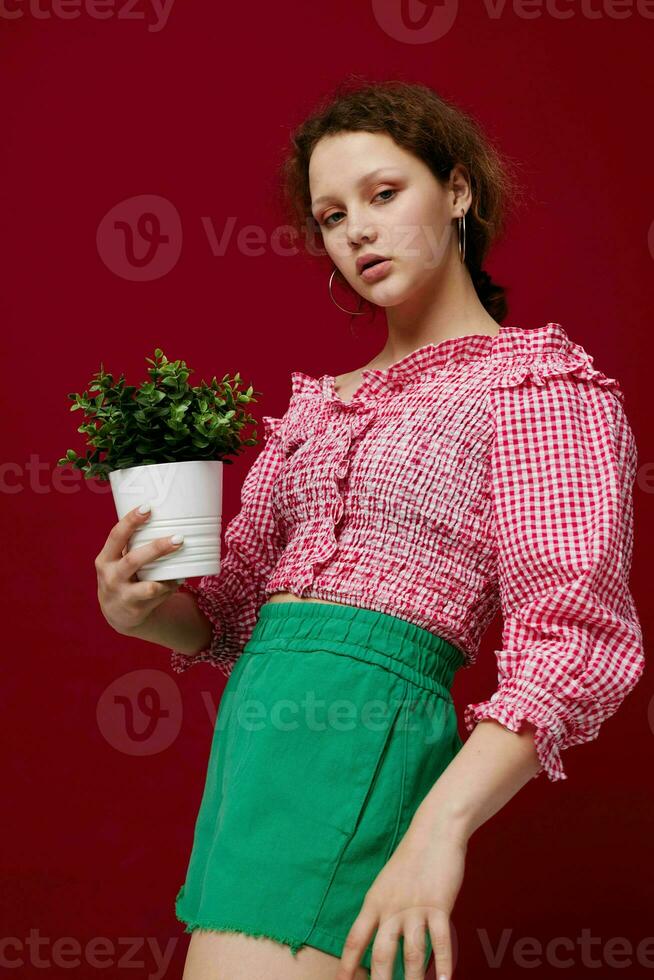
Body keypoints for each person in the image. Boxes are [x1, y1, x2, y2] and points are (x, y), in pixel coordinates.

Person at [95, 79, 645, 980]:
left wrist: (439, 830)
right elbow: (231, 618)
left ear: (457, 190)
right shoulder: (315, 408)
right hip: (253, 756)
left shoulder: (534, 387)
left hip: (361, 742)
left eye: (384, 195)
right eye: (331, 214)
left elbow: (575, 637)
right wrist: (143, 613)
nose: (355, 230)